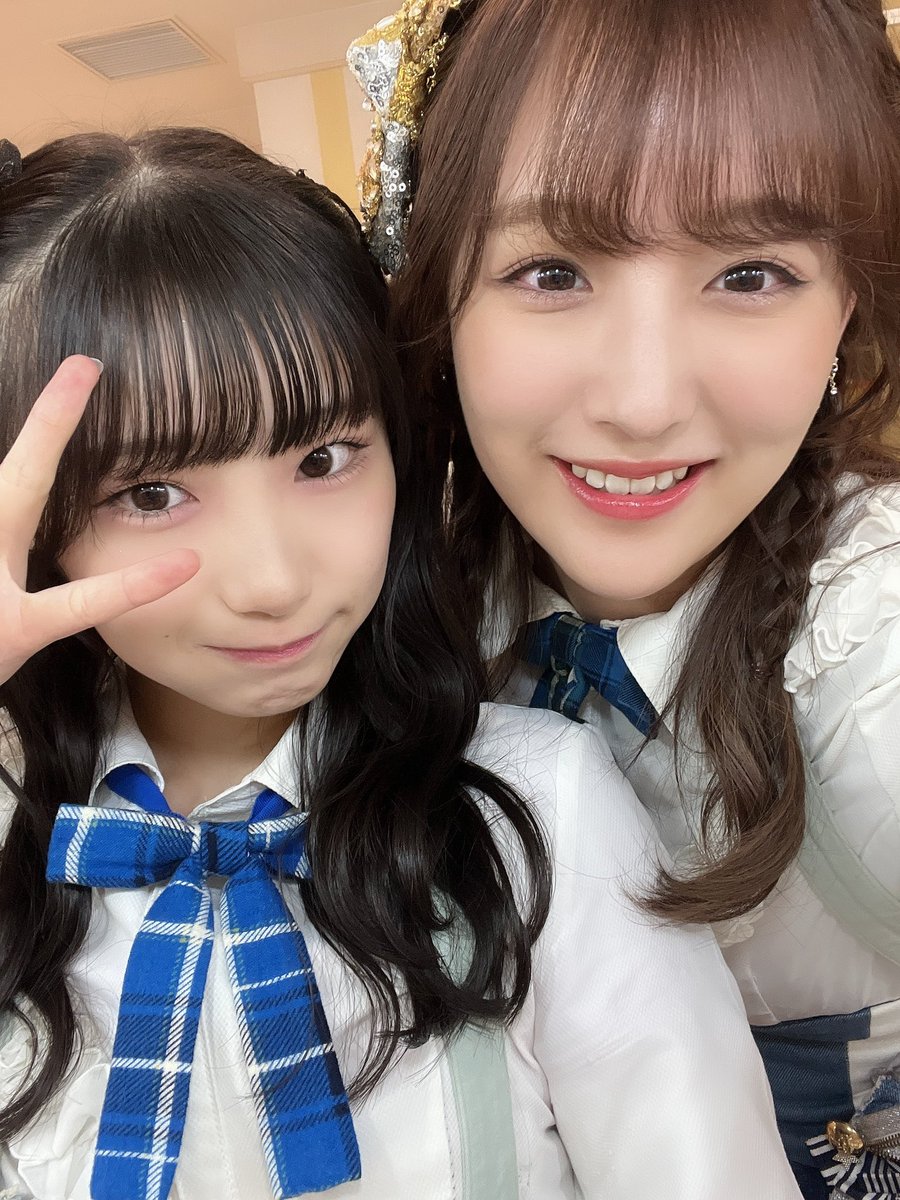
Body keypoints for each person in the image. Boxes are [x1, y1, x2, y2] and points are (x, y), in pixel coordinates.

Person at [0, 129, 799, 1199]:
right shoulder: (13, 824)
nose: (273, 578)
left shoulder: (536, 810)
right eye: (153, 493)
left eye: (323, 458)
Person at [350, 0, 900, 1196]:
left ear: (848, 304)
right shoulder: (362, 579)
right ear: (439, 288)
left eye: (751, 273)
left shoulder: (872, 642)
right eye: (552, 270)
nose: (644, 402)